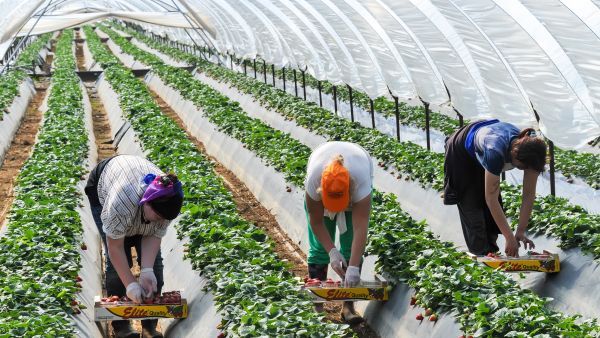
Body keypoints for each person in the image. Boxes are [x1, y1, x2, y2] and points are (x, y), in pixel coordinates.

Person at [85, 155, 184, 338]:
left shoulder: (168, 204)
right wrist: (130, 284)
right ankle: (121, 326)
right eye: (157, 215)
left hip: (133, 188)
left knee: (155, 266)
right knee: (118, 265)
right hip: (103, 186)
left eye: (164, 218)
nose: (160, 220)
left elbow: (153, 235)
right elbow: (115, 248)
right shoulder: (121, 203)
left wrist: (146, 270)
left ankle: (149, 326)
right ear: (147, 200)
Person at [443, 119, 547, 257]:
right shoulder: (495, 151)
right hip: (461, 152)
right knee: (473, 208)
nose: (524, 170)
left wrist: (520, 231)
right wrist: (509, 238)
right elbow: (490, 198)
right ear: (514, 154)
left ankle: (491, 253)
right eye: (521, 167)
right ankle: (481, 256)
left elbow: (528, 195)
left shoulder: (534, 152)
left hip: (484, 144)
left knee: (490, 220)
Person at [304, 141, 373, 324]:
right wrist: (332, 251)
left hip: (354, 194)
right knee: (319, 248)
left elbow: (360, 226)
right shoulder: (314, 180)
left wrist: (352, 267)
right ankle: (318, 304)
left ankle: (348, 307)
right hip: (321, 192)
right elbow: (316, 221)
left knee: (351, 247)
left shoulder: (361, 183)